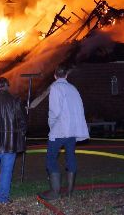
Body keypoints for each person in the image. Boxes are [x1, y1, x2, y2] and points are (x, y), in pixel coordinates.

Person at [38, 65, 89, 200]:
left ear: (55, 76)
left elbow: (54, 111)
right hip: (72, 131)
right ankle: (70, 192)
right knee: (70, 157)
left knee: (51, 158)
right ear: (66, 75)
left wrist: (52, 126)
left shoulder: (55, 87)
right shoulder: (73, 88)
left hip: (59, 130)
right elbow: (79, 109)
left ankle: (55, 192)